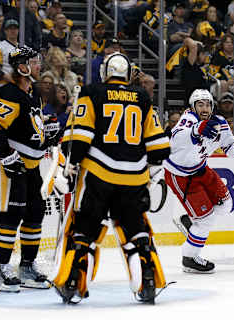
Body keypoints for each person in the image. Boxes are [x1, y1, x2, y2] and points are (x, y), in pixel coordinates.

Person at [52, 52, 171, 304]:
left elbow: (79, 136)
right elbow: (159, 145)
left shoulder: (91, 92)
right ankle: (146, 281)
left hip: (98, 174)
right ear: (127, 73)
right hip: (135, 177)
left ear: (105, 72)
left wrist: (69, 165)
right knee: (136, 230)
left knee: (84, 228)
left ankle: (73, 281)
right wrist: (153, 170)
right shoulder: (142, 96)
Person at [0, 47, 58, 293]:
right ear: (22, 67)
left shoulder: (33, 93)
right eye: (34, 62)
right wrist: (6, 155)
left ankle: (27, 266)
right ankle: (1, 269)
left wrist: (48, 131)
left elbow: (28, 128)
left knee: (35, 214)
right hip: (12, 166)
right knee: (11, 216)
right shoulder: (9, 93)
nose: (38, 66)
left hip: (33, 166)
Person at [163, 89, 234, 273]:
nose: (204, 108)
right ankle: (189, 257)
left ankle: (192, 222)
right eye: (200, 104)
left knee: (226, 204)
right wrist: (195, 130)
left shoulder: (219, 122)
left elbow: (229, 146)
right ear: (193, 106)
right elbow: (175, 139)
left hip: (201, 169)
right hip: (181, 175)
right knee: (207, 220)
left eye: (208, 104)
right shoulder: (188, 119)